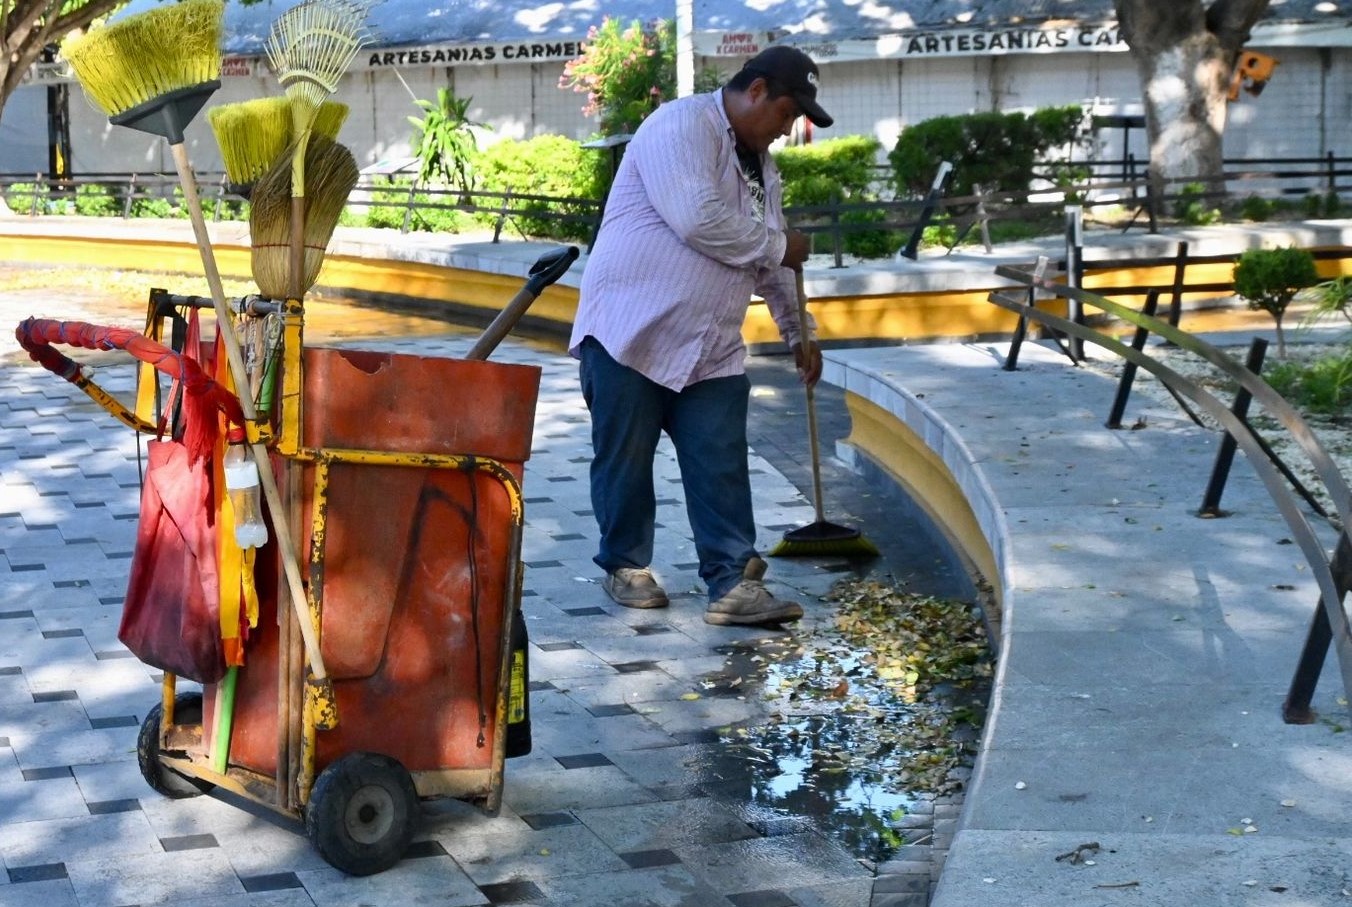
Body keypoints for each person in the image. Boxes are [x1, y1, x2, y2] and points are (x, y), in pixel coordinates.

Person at [569, 45, 833, 626]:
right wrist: (779, 245)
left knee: (720, 463)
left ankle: (732, 581)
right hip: (628, 335)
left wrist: (798, 333)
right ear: (757, 90)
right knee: (626, 462)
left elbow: (772, 264)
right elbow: (699, 219)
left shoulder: (763, 169)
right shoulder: (681, 124)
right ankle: (626, 567)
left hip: (709, 346)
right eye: (788, 114)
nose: (788, 131)